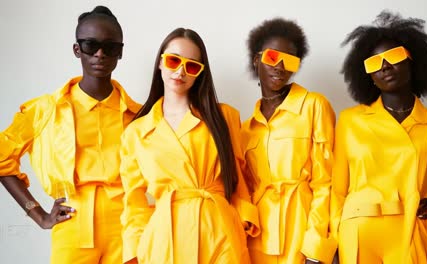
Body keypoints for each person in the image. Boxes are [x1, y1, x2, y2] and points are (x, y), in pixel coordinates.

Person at [0, 6, 140, 264]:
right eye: (90, 45)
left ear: (120, 52)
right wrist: (38, 214)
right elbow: (2, 157)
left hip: (128, 224)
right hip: (73, 220)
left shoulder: (139, 115)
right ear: (77, 49)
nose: (100, 54)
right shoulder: (45, 110)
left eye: (110, 47)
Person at [330, 10, 427, 263]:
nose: (385, 67)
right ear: (367, 75)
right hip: (357, 232)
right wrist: (332, 245)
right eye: (374, 63)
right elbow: (338, 191)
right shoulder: (350, 120)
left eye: (393, 56)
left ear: (412, 59)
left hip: (412, 230)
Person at [120, 27, 260, 264]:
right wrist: (134, 253)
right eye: (174, 60)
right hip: (164, 240)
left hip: (220, 232)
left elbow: (239, 178)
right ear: (161, 63)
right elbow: (134, 204)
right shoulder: (136, 132)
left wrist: (242, 220)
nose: (180, 71)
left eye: (192, 66)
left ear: (200, 73)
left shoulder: (223, 117)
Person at [241, 18, 337, 264]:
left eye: (290, 61)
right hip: (256, 239)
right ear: (257, 60)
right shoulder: (245, 128)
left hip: (300, 230)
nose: (281, 66)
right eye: (273, 57)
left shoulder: (314, 106)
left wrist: (316, 246)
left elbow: (326, 181)